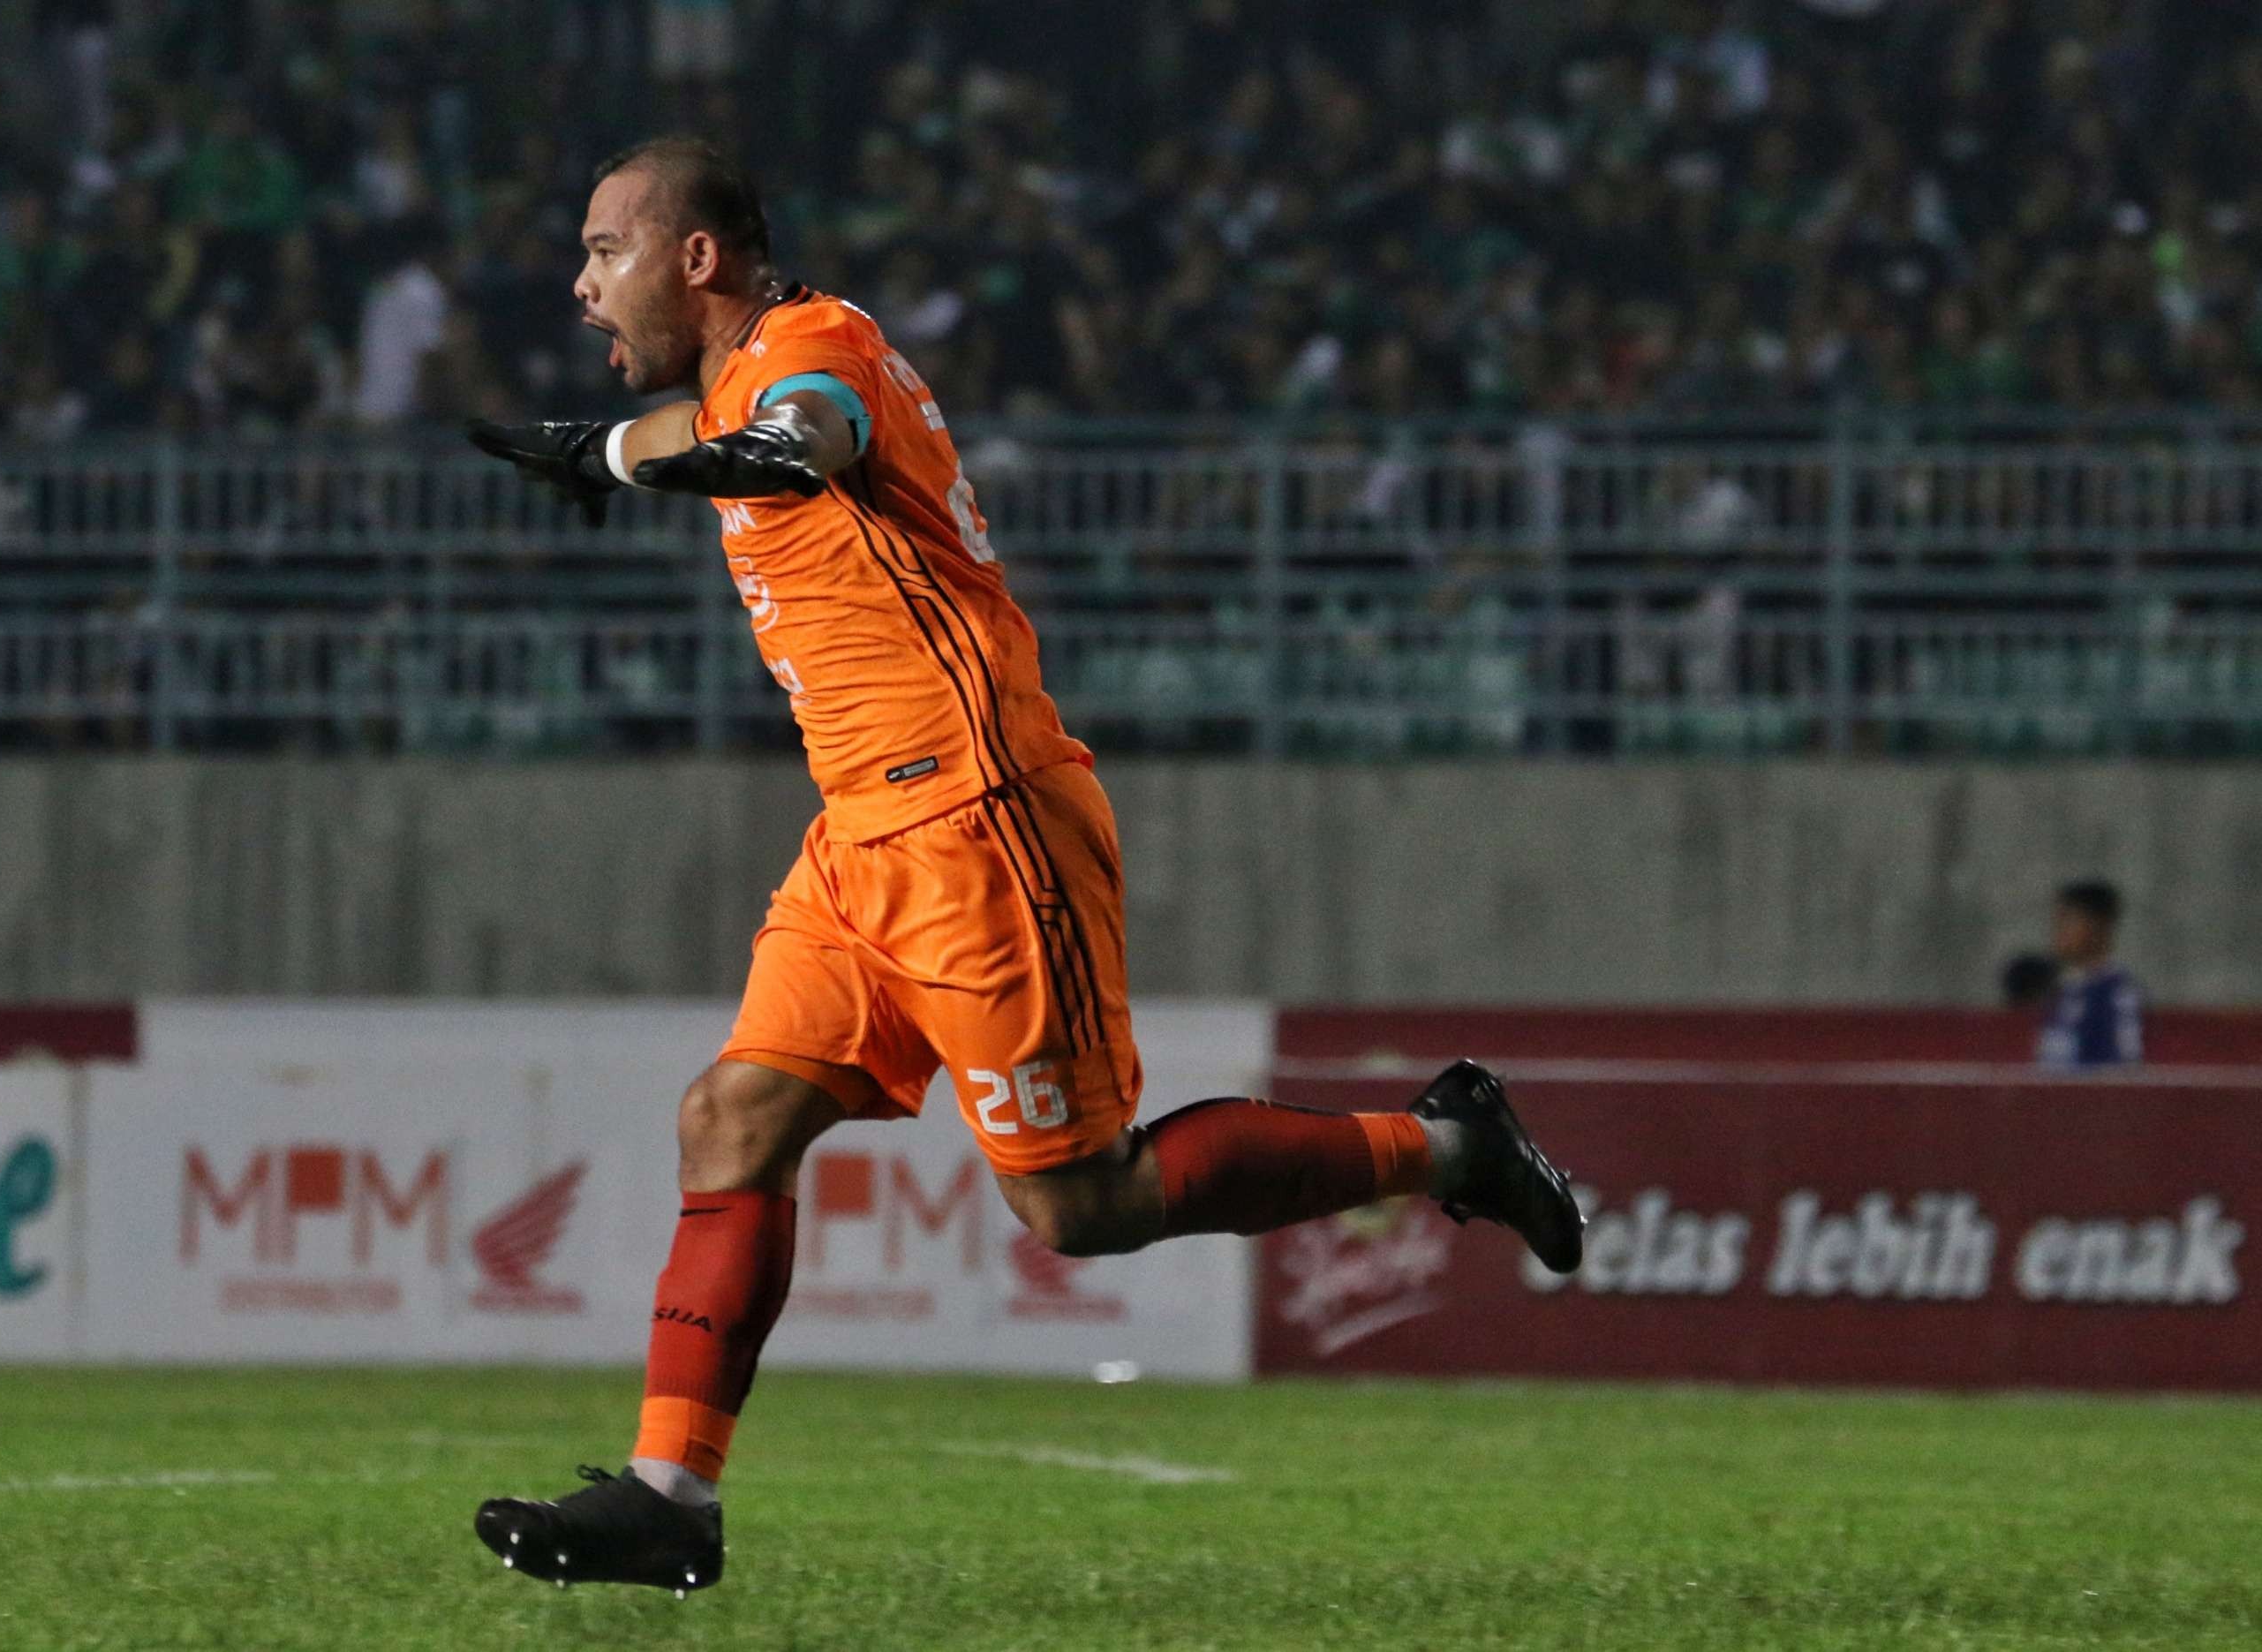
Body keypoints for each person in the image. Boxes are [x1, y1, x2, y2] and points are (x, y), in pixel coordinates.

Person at [458, 137, 1587, 1597]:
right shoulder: (736, 376)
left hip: (974, 817)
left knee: (1081, 1206)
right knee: (731, 1120)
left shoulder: (813, 349)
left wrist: (610, 453)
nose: (578, 282)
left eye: (603, 249)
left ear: (695, 260)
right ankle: (673, 1496)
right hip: (859, 833)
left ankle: (1452, 1147)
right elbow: (713, 436)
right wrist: (602, 449)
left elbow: (800, 439)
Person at [2036, 879, 2143, 1067]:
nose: (2058, 931)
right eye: (2056, 922)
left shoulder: (2116, 994)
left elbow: (2124, 1067)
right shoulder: (2063, 991)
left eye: (2067, 921)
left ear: (2098, 926)